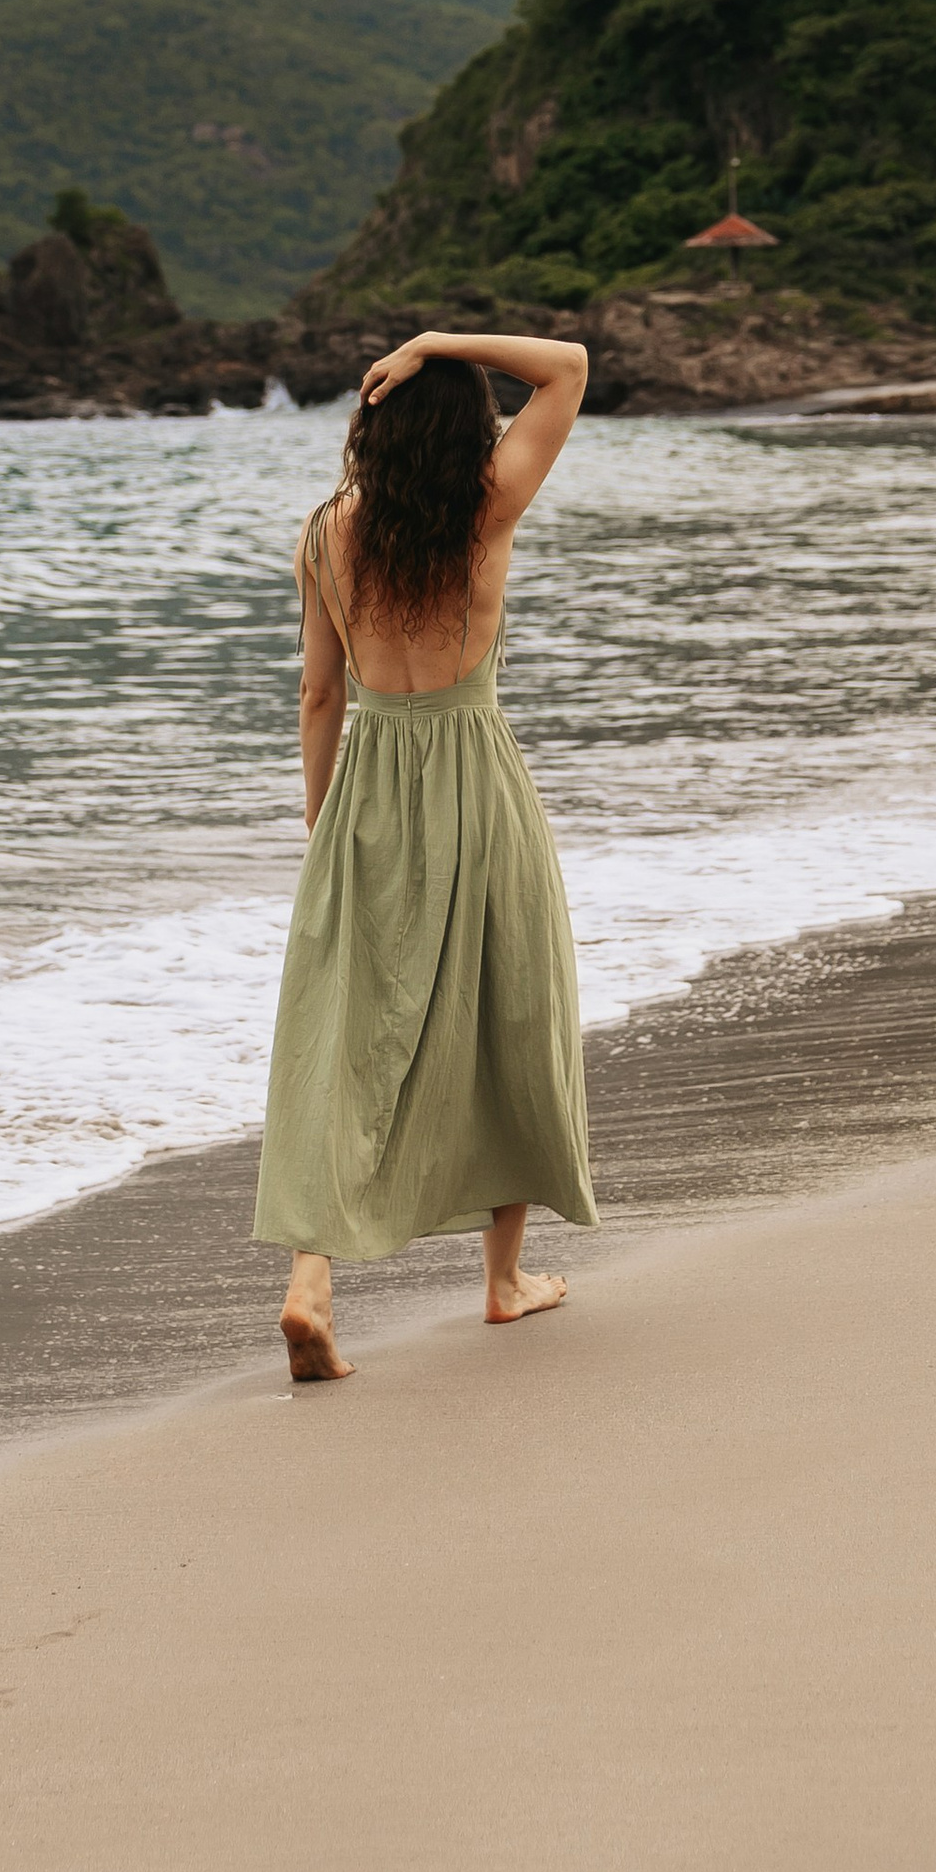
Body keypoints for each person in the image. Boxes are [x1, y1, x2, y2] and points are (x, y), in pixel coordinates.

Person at [253, 324, 597, 1383]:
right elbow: (569, 363)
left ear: (372, 424)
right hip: (474, 780)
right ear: (465, 431)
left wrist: (323, 825)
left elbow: (316, 694)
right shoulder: (483, 508)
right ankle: (502, 1283)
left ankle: (311, 1282)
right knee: (512, 1012)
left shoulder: (323, 533)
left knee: (347, 1033)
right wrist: (438, 342)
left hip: (366, 785)